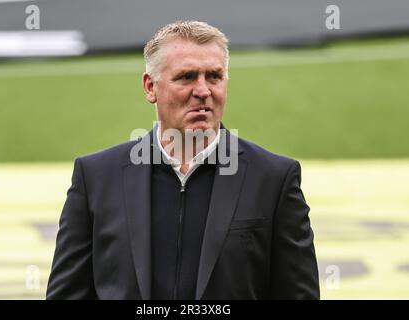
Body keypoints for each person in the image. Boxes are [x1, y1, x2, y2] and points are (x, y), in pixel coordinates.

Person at [46, 20, 320, 300]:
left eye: (214, 76)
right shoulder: (95, 178)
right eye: (187, 77)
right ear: (150, 87)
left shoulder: (274, 178)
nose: (203, 90)